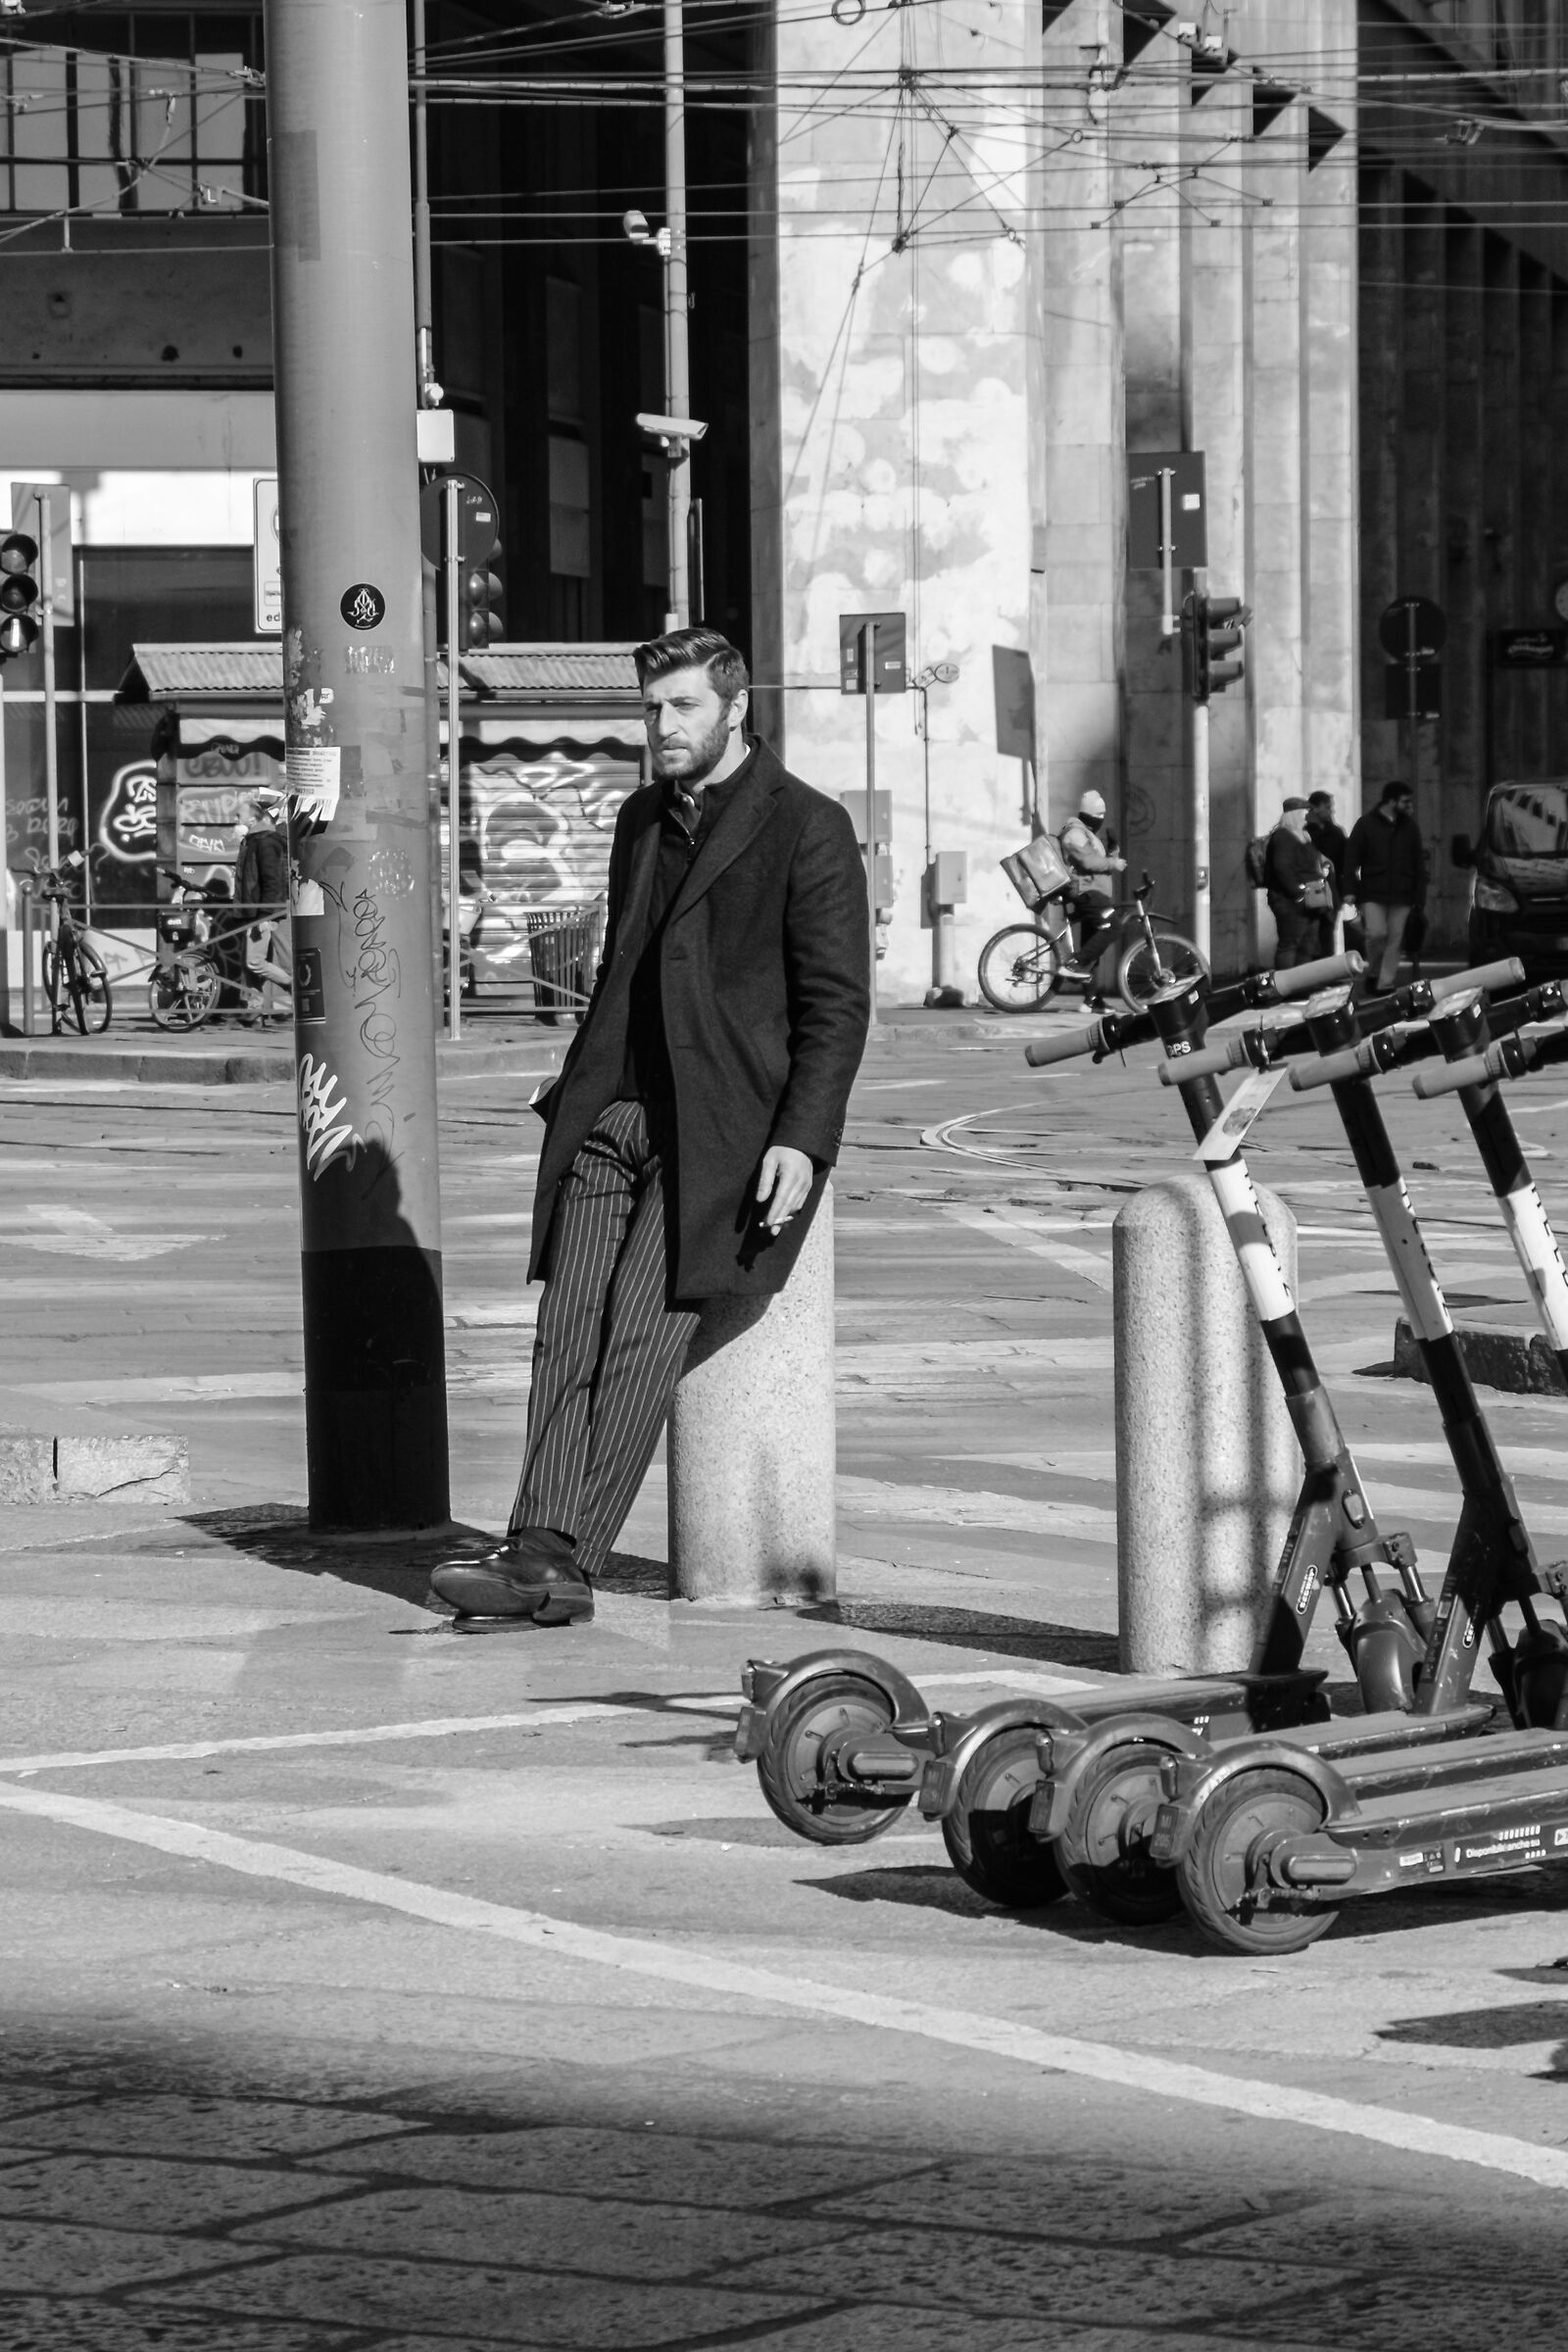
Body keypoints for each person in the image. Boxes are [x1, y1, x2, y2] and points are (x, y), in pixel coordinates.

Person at [431, 626, 871, 1628]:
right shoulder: (639, 818)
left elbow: (836, 1005)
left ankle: (568, 1560)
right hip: (611, 1115)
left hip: (719, 1132)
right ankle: (532, 1545)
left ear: (734, 708)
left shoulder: (805, 825)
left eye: (681, 709)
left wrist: (802, 1140)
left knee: (640, 1333)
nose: (662, 727)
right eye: (651, 709)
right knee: (565, 1330)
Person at [1344, 779, 1428, 993]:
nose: (1410, 806)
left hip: (1403, 894)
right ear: (1391, 801)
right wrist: (1350, 890)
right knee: (1376, 934)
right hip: (1373, 891)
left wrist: (1419, 897)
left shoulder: (1410, 827)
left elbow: (1418, 863)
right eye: (1405, 801)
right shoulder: (1365, 825)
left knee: (1395, 939)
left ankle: (1385, 983)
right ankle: (1373, 971)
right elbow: (1351, 858)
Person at [232, 787, 292, 1021]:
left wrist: (266, 917)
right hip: (253, 910)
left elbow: (272, 881)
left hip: (262, 912)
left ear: (252, 818)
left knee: (254, 961)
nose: (236, 821)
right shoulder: (253, 840)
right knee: (251, 962)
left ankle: (293, 987)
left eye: (239, 816)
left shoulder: (264, 842)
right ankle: (254, 1007)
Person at [1059, 788, 1126, 985]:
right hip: (1086, 892)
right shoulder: (1074, 833)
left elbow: (1099, 863)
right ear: (1088, 814)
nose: (1102, 818)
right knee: (1114, 927)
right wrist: (1113, 863)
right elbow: (1089, 863)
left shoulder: (1087, 833)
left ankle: (1092, 1001)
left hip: (1094, 892)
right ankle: (1073, 964)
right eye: (1099, 815)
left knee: (1093, 946)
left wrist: (1113, 850)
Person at [1264, 797, 1336, 969]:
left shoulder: (1304, 836)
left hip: (1310, 900)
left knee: (1307, 944)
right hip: (1290, 901)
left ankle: (1301, 985)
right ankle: (1286, 986)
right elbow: (1282, 867)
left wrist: (1323, 863)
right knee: (1290, 944)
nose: (1307, 816)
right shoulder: (1282, 837)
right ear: (1294, 814)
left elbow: (1310, 860)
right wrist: (1298, 893)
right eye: (1304, 812)